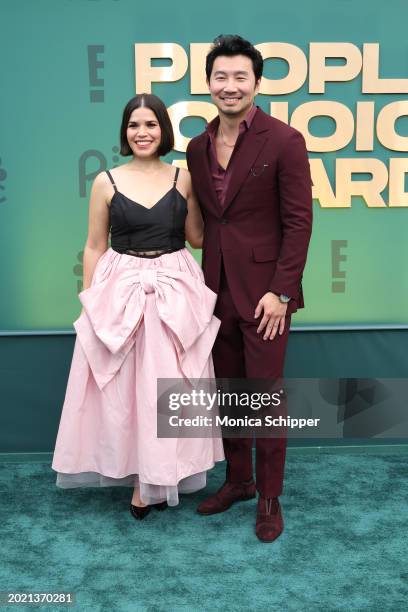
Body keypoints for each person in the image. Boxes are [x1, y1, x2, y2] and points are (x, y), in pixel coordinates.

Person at [52, 94, 224, 519]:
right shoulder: (105, 181)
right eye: (134, 125)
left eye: (150, 124)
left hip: (174, 284)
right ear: (124, 132)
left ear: (164, 130)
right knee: (124, 390)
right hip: (120, 288)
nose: (142, 132)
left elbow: (199, 238)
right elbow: (94, 246)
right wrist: (92, 304)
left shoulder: (183, 177)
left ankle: (160, 476)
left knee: (169, 385)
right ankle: (137, 474)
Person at [186, 35, 313, 542]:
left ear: (256, 83)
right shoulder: (197, 146)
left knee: (265, 397)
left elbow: (299, 222)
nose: (230, 85)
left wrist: (281, 292)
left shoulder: (284, 140)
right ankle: (238, 481)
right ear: (209, 83)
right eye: (221, 77)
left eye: (241, 77)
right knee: (229, 395)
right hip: (214, 290)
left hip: (266, 298)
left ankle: (268, 495)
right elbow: (205, 222)